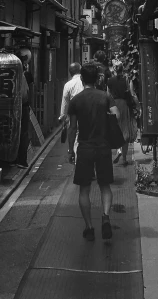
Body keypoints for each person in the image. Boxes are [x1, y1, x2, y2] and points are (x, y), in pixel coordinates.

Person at [68, 63, 119, 241]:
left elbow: (72, 128)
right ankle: (105, 218)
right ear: (96, 79)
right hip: (103, 146)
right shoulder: (105, 96)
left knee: (84, 189)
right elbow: (116, 115)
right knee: (105, 186)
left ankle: (89, 227)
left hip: (85, 147)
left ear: (81, 79)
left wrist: (70, 151)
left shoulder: (76, 100)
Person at [107, 62, 138, 166]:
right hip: (125, 105)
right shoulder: (127, 80)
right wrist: (138, 106)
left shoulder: (109, 81)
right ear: (123, 69)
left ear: (114, 70)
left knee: (116, 129)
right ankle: (124, 158)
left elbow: (108, 95)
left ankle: (118, 150)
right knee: (125, 130)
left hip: (114, 106)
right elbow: (132, 94)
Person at [59, 62, 84, 163]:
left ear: (70, 73)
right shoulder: (85, 81)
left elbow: (64, 103)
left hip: (74, 117)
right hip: (89, 115)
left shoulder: (68, 85)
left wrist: (63, 117)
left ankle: (79, 165)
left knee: (76, 140)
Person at [15, 54, 34, 169]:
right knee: (23, 133)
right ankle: (21, 159)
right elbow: (27, 93)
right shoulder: (24, 75)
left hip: (11, 108)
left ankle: (14, 158)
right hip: (22, 107)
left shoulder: (15, 75)